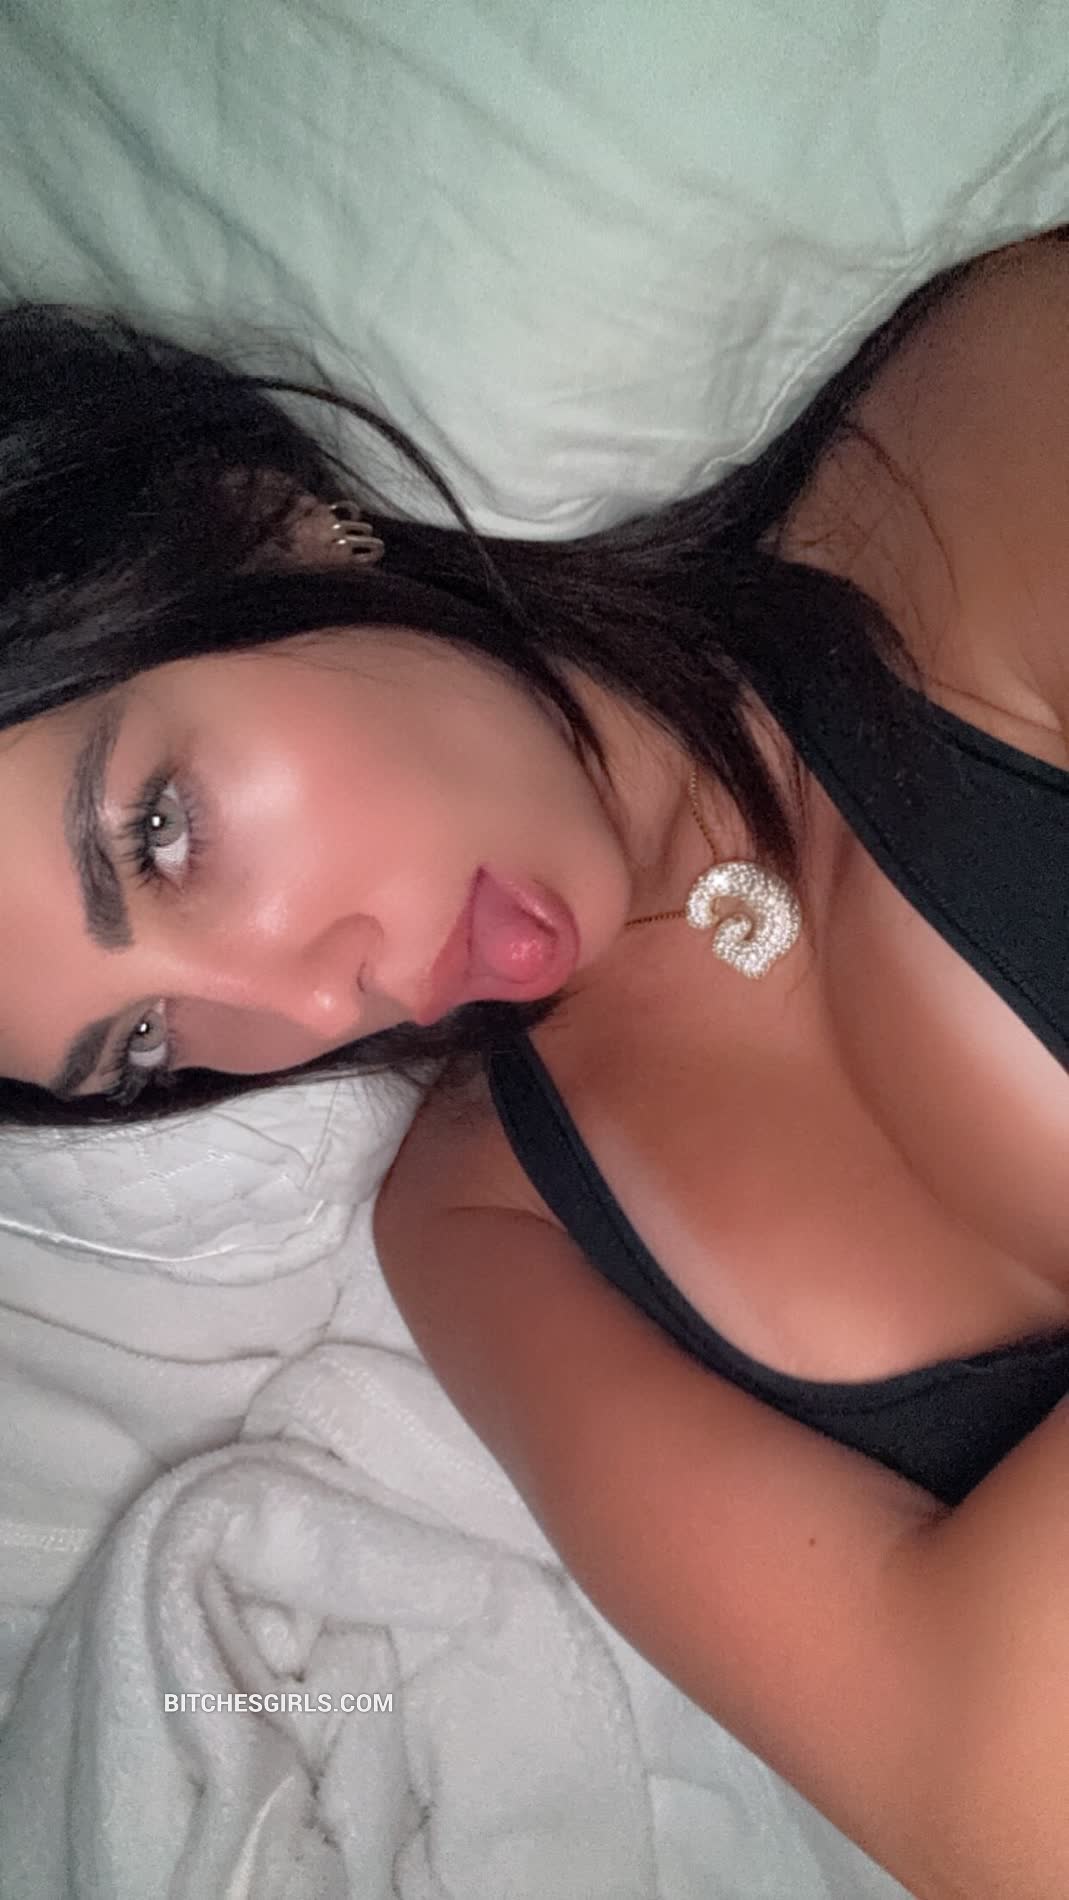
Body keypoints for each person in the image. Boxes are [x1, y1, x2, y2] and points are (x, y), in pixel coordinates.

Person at [0, 229, 1066, 1896]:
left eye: (162, 832)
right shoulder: (478, 1223)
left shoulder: (979, 459)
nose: (309, 997)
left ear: (257, 519)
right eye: (143, 1045)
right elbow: (989, 1809)